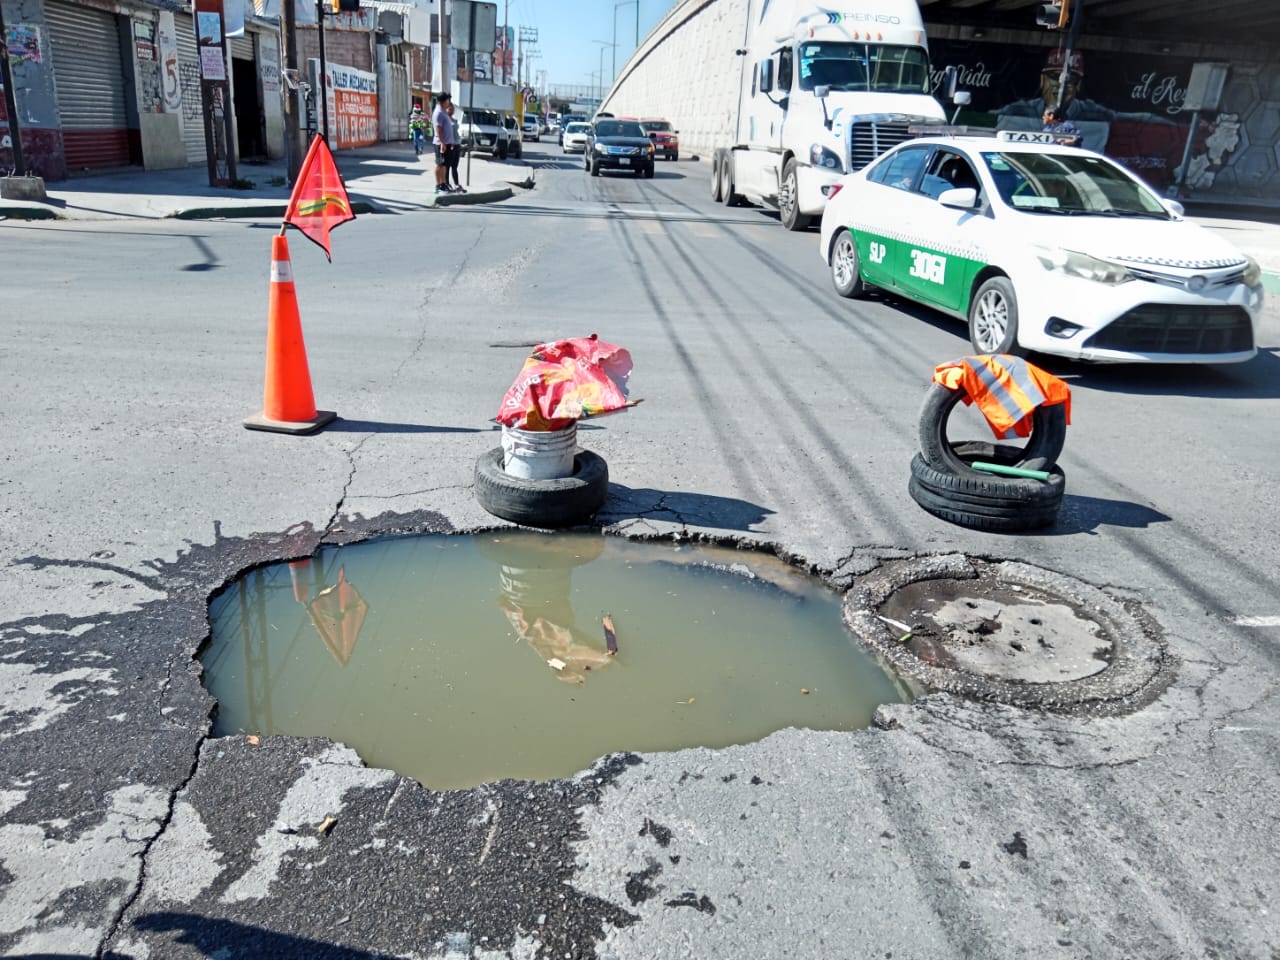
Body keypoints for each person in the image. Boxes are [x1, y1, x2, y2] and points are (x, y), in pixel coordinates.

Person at [431, 91, 458, 195]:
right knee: (439, 164)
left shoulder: (443, 111)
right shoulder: (438, 112)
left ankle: (443, 184)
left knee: (444, 165)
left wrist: (450, 142)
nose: (448, 102)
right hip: (440, 143)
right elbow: (438, 129)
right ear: (441, 101)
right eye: (447, 100)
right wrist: (442, 143)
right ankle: (438, 185)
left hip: (447, 142)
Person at [444, 98, 466, 193]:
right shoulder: (445, 120)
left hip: (457, 144)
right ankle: (446, 184)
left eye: (452, 108)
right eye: (449, 108)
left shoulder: (454, 120)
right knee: (447, 166)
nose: (451, 110)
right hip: (449, 145)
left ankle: (457, 184)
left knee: (454, 166)